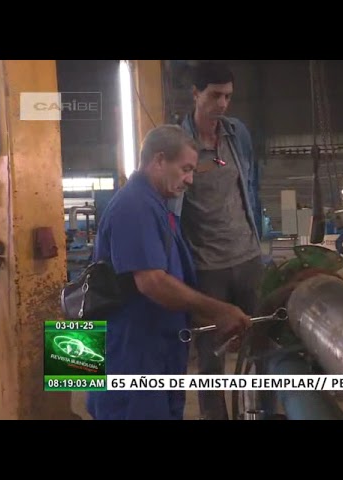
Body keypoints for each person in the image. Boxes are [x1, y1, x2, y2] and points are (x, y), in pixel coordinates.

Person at [87, 124, 252, 420]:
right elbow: (153, 283)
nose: (190, 179)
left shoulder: (158, 207)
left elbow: (175, 283)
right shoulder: (134, 206)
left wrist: (215, 320)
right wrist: (220, 309)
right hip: (132, 357)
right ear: (159, 160)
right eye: (185, 169)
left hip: (156, 352)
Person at [168, 61, 265, 420]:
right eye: (214, 96)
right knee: (211, 356)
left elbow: (249, 186)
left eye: (228, 96)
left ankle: (259, 410)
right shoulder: (180, 144)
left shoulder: (237, 133)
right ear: (195, 93)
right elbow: (175, 208)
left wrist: (258, 241)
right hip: (208, 269)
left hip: (249, 258)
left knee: (259, 345)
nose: (222, 104)